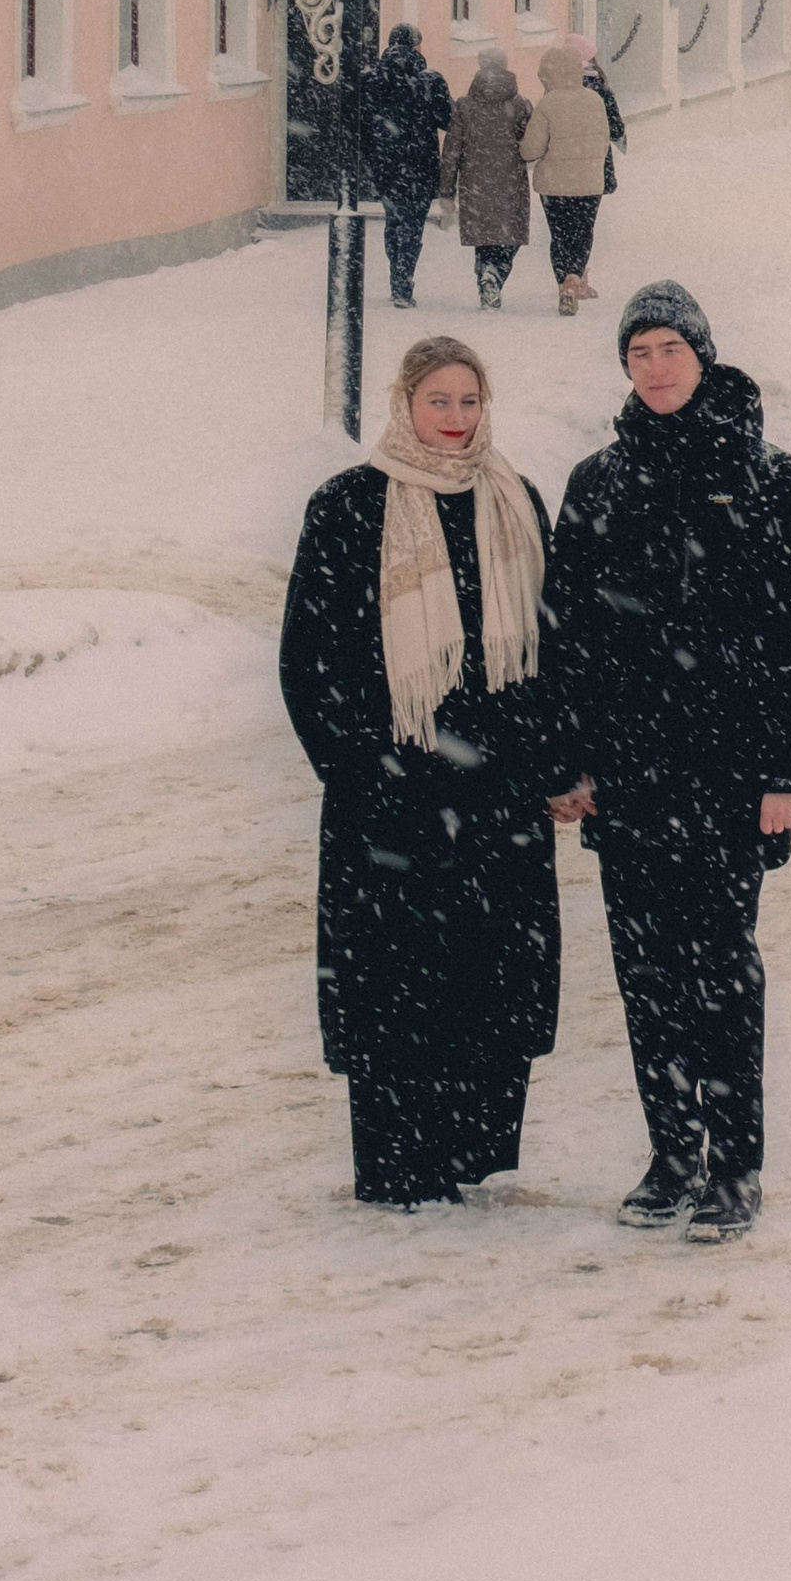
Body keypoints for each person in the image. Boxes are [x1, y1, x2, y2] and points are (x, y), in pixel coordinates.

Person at [541, 284, 791, 1244]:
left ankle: (735, 1168)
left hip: (728, 773)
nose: (657, 366)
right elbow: (567, 635)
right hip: (628, 774)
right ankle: (672, 1153)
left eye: (671, 347)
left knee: (720, 971)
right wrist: (568, 758)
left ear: (704, 355)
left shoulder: (769, 477)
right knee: (646, 972)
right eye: (639, 353)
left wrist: (788, 771)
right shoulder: (597, 482)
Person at [278, 336, 565, 1209]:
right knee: (396, 983)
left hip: (493, 795)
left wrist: (545, 762)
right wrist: (360, 769)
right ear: (405, 404)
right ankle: (400, 1161)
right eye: (438, 401)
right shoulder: (349, 507)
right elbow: (308, 659)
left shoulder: (515, 500)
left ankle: (469, 1149)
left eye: (469, 401)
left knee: (484, 978)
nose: (455, 419)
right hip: (391, 796)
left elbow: (550, 649)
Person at [362, 23, 454, 308]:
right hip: (420, 163)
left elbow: (361, 123)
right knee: (413, 224)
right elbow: (447, 120)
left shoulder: (370, 79)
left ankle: (396, 276)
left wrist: (371, 153)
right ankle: (403, 281)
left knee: (394, 219)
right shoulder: (430, 80)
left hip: (385, 163)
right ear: (416, 46)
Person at [521, 42, 613, 314]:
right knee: (582, 233)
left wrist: (519, 148)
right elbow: (604, 140)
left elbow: (531, 149)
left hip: (555, 184)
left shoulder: (548, 103)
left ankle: (564, 281)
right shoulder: (595, 100)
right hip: (588, 182)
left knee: (559, 236)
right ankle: (575, 276)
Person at [440, 46, 534, 309]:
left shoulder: (465, 106)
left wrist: (447, 190)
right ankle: (495, 274)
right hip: (510, 182)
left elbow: (452, 150)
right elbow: (533, 142)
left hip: (474, 184)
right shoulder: (519, 105)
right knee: (508, 239)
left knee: (484, 240)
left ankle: (487, 274)